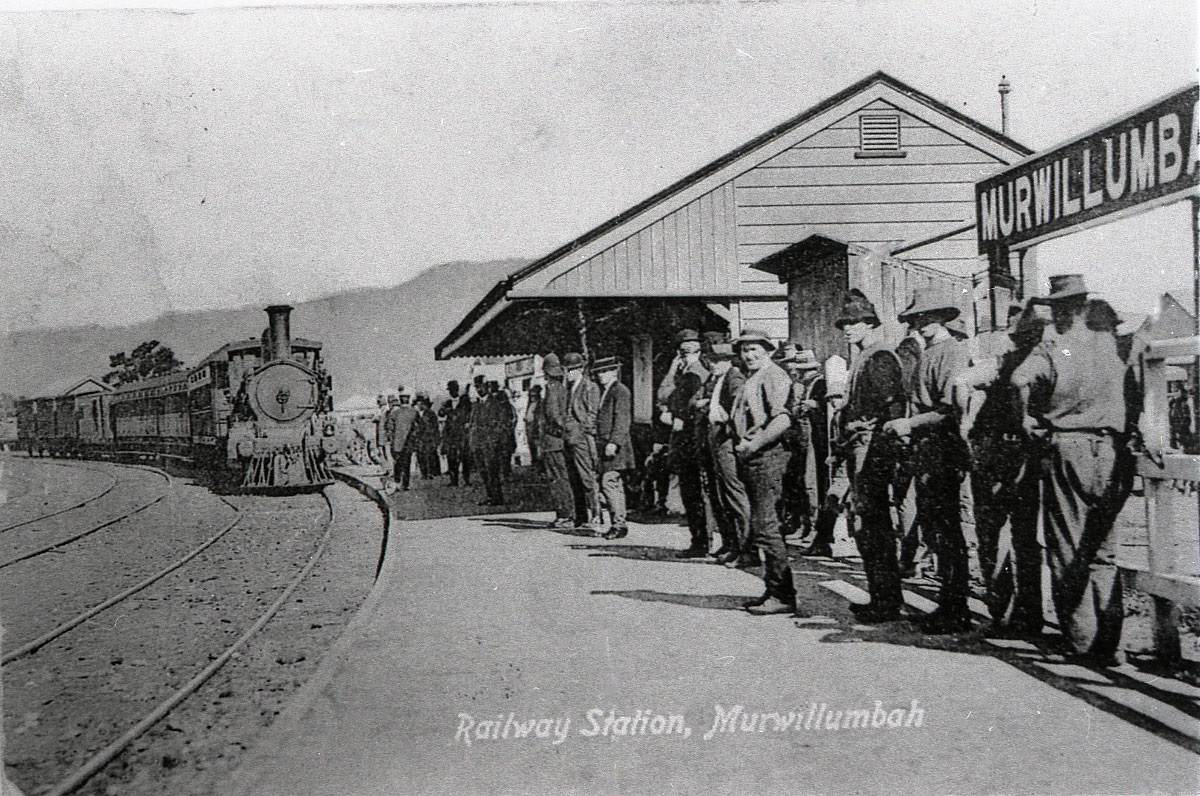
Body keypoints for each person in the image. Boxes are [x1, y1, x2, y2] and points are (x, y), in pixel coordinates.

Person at [1012, 274, 1132, 666]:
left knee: (1067, 547)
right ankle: (1111, 645)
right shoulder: (1110, 344)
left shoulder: (1054, 347)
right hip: (1111, 451)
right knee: (1103, 550)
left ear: (1060, 311)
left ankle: (1081, 642)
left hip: (1070, 447)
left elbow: (1018, 379)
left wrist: (1027, 419)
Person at [883, 288, 972, 634]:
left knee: (947, 531)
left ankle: (956, 607)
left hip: (943, 449)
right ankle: (947, 604)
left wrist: (910, 424)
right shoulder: (928, 354)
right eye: (917, 318)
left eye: (927, 318)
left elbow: (949, 410)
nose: (921, 324)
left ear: (942, 319)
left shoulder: (951, 352)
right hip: (925, 450)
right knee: (936, 530)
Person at [956, 302, 1048, 637]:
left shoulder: (1004, 363)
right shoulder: (1048, 362)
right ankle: (1027, 614)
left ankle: (1004, 611)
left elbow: (962, 381)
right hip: (1023, 455)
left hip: (996, 453)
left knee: (995, 535)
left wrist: (965, 422)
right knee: (1025, 538)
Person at [834, 290, 907, 624]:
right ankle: (881, 596)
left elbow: (893, 408)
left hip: (872, 447)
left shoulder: (880, 358)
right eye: (845, 324)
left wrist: (881, 452)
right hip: (858, 444)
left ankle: (887, 600)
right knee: (866, 525)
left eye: (855, 323)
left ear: (870, 324)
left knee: (873, 525)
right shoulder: (863, 357)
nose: (848, 329)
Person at [729, 328, 796, 616]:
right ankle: (774, 589)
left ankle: (782, 594)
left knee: (766, 526)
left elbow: (782, 419)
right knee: (762, 526)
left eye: (755, 349)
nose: (749, 355)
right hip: (754, 457)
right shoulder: (754, 377)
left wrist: (754, 443)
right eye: (745, 350)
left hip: (768, 457)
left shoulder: (773, 376)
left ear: (767, 349)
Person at [696, 341, 752, 567]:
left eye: (718, 361)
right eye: (711, 361)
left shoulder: (734, 377)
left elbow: (739, 409)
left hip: (726, 441)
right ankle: (732, 544)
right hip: (715, 440)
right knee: (721, 496)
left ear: (728, 360)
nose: (713, 365)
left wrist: (730, 431)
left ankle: (747, 548)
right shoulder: (716, 379)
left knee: (734, 494)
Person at [660, 329, 711, 558]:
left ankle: (703, 541)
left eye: (692, 349)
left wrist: (675, 414)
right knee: (690, 492)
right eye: (684, 350)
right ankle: (698, 540)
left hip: (693, 439)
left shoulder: (697, 372)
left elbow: (683, 403)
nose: (688, 353)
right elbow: (663, 395)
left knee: (697, 493)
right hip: (683, 440)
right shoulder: (682, 371)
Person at [593, 356, 633, 539]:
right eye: (599, 372)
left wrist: (614, 442)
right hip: (605, 445)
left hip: (615, 446)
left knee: (609, 483)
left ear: (614, 371)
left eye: (606, 371)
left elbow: (622, 419)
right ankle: (617, 523)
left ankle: (619, 524)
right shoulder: (607, 391)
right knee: (612, 485)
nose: (602, 376)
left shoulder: (620, 391)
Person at [537, 354, 577, 529]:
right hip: (557, 441)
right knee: (562, 477)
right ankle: (567, 514)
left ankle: (565, 515)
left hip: (552, 441)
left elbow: (554, 415)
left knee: (558, 479)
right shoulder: (562, 387)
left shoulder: (553, 389)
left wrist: (558, 431)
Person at [562, 352, 602, 531]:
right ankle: (580, 517)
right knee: (574, 479)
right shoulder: (569, 388)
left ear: (580, 369)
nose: (569, 373)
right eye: (567, 370)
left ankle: (596, 515)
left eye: (572, 370)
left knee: (587, 478)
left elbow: (592, 414)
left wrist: (583, 430)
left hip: (582, 439)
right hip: (569, 439)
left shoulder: (589, 387)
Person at [476, 380, 515, 505]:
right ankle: (490, 496)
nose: (479, 389)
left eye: (481, 386)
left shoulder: (495, 404)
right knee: (484, 472)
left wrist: (494, 440)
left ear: (487, 387)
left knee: (492, 471)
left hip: (491, 444)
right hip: (480, 443)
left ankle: (497, 497)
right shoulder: (478, 404)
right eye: (477, 387)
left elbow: (501, 423)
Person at [439, 380, 472, 487]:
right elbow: (441, 413)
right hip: (451, 434)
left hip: (462, 433)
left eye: (453, 389)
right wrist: (444, 409)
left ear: (457, 389)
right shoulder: (448, 402)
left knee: (465, 457)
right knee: (451, 457)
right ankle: (454, 480)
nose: (452, 392)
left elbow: (468, 414)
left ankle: (466, 479)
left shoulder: (465, 401)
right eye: (450, 390)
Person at [385, 387, 418, 492]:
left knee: (398, 463)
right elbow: (418, 427)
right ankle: (405, 484)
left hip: (397, 443)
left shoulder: (394, 412)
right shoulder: (413, 412)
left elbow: (389, 428)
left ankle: (397, 482)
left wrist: (391, 440)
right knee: (407, 463)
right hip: (409, 443)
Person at [413, 392, 442, 479]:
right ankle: (424, 473)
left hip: (429, 438)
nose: (419, 405)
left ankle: (432, 472)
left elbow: (435, 426)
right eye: (418, 403)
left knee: (430, 455)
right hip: (420, 438)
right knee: (420, 455)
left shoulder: (431, 413)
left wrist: (435, 439)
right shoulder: (417, 414)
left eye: (421, 403)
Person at [525, 384, 543, 472]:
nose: (532, 397)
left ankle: (540, 466)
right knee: (532, 447)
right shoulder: (530, 405)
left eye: (533, 395)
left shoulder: (540, 404)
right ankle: (534, 464)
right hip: (529, 428)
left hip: (536, 429)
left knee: (538, 449)